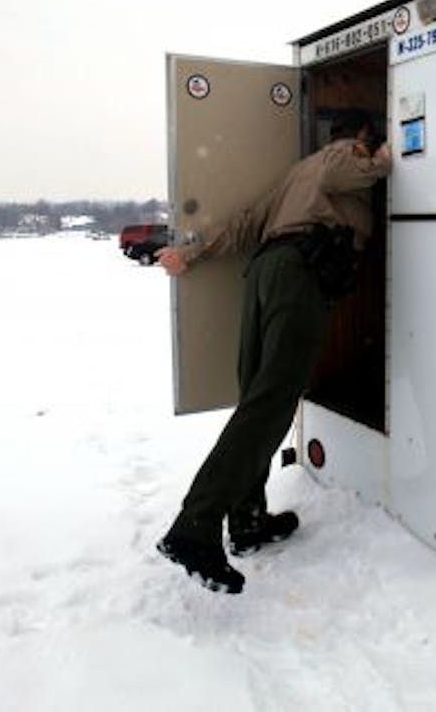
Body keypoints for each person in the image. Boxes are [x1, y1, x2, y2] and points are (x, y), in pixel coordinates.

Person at [155, 109, 393, 593]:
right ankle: (196, 526)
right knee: (271, 400)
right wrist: (390, 154)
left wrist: (193, 253)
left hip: (266, 273)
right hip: (297, 277)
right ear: (361, 136)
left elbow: (245, 225)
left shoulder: (297, 174)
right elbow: (351, 167)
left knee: (259, 400)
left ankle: (246, 519)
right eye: (372, 140)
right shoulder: (342, 156)